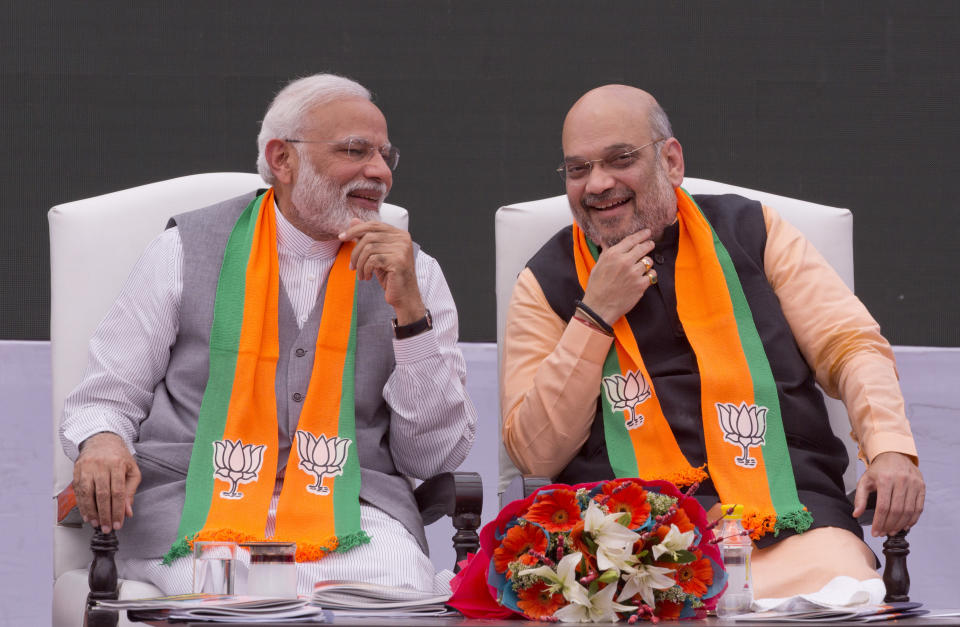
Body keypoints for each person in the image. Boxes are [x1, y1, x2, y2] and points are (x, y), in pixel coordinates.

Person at [501, 84, 924, 598]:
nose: (598, 183)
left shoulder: (754, 232)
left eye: (620, 159)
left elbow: (851, 345)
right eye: (578, 169)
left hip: (789, 523)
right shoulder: (547, 281)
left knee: (840, 590)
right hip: (619, 546)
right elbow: (535, 455)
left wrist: (889, 449)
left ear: (671, 161)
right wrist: (594, 315)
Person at [60, 73, 477, 594]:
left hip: (354, 516)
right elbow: (105, 396)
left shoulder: (416, 274)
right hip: (194, 506)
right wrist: (101, 442)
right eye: (355, 150)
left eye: (385, 156)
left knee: (390, 595)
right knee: (234, 598)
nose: (378, 173)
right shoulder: (184, 252)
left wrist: (410, 315)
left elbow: (432, 458)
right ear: (282, 159)